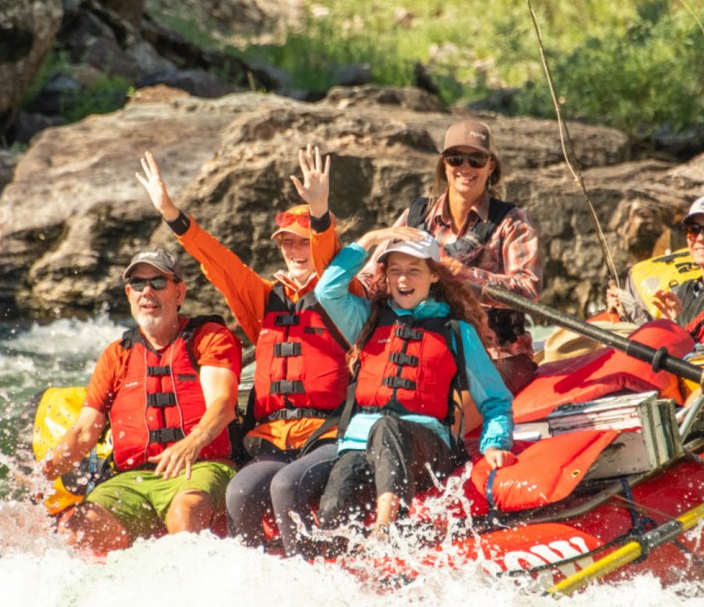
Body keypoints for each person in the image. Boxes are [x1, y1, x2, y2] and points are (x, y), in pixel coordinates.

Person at [135, 146, 351, 557]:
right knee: (240, 492)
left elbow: (328, 258)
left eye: (301, 242)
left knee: (286, 486)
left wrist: (320, 213)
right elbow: (219, 262)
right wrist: (171, 214)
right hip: (271, 438)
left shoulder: (342, 295)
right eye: (286, 243)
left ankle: (312, 579)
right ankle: (252, 583)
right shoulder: (264, 299)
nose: (293, 249)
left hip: (325, 432)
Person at [315, 227, 517, 542]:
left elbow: (496, 400)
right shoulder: (367, 321)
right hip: (359, 444)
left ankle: (385, 530)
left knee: (387, 428)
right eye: (395, 271)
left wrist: (495, 442)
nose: (403, 280)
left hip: (427, 448)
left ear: (433, 276)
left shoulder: (455, 332)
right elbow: (327, 291)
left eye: (413, 271)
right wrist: (369, 240)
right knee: (333, 508)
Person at [41, 249, 242, 555]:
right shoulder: (116, 355)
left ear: (179, 291)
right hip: (132, 480)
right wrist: (42, 475)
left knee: (184, 514)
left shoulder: (209, 338)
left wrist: (192, 443)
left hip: (199, 468)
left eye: (158, 282)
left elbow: (223, 405)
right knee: (78, 527)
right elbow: (84, 432)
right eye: (138, 283)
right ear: (128, 293)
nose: (147, 291)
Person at [389, 121, 542, 394]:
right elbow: (372, 278)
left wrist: (466, 275)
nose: (466, 168)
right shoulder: (415, 217)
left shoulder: (513, 221)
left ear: (491, 166)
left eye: (477, 159)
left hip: (500, 358)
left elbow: (529, 290)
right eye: (456, 158)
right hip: (429, 351)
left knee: (447, 408)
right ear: (444, 165)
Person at [608, 192, 704, 330]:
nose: (701, 238)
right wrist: (626, 311)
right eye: (693, 230)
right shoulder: (684, 292)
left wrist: (681, 325)